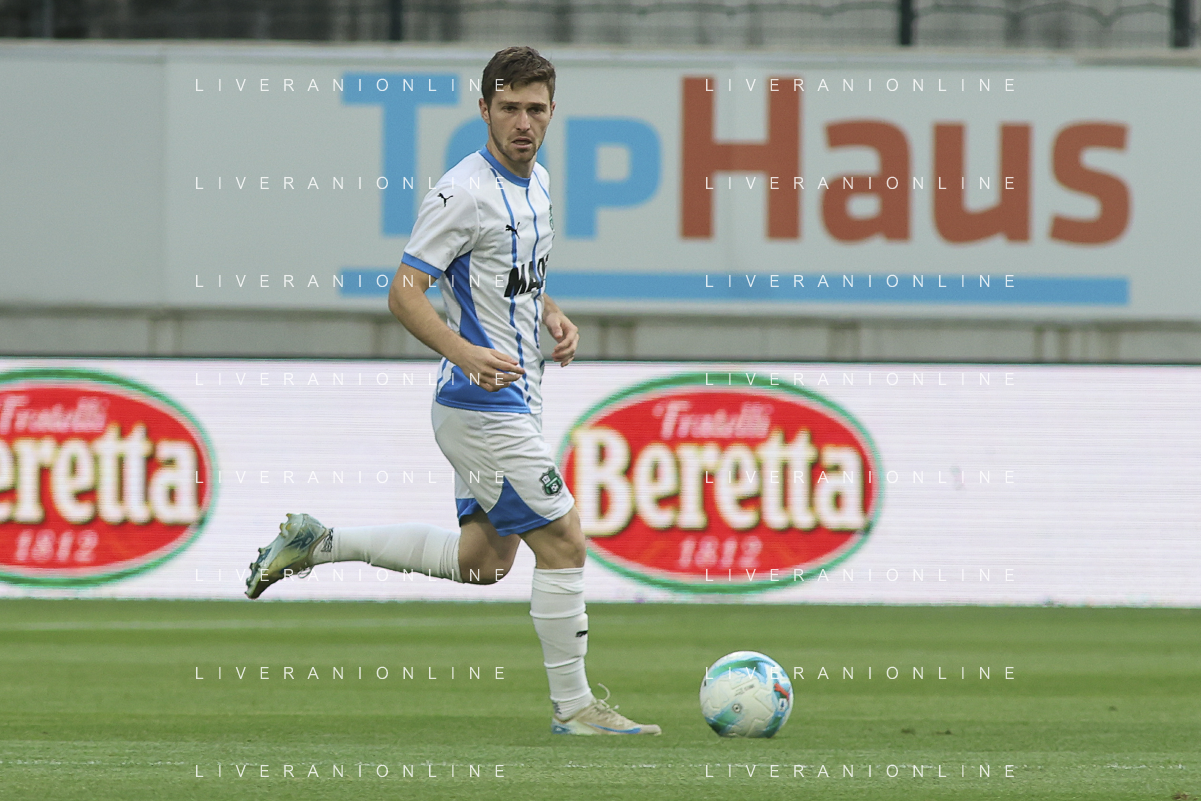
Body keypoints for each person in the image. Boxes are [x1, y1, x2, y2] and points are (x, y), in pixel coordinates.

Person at [245, 45, 660, 737]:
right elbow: (404, 292)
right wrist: (463, 352)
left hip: (515, 395)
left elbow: (509, 272)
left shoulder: (539, 183)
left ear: (552, 111)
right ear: (484, 109)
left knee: (483, 562)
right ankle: (575, 708)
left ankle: (319, 542)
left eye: (535, 109)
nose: (523, 122)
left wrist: (550, 311)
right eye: (509, 108)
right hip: (479, 404)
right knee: (564, 541)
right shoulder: (460, 192)